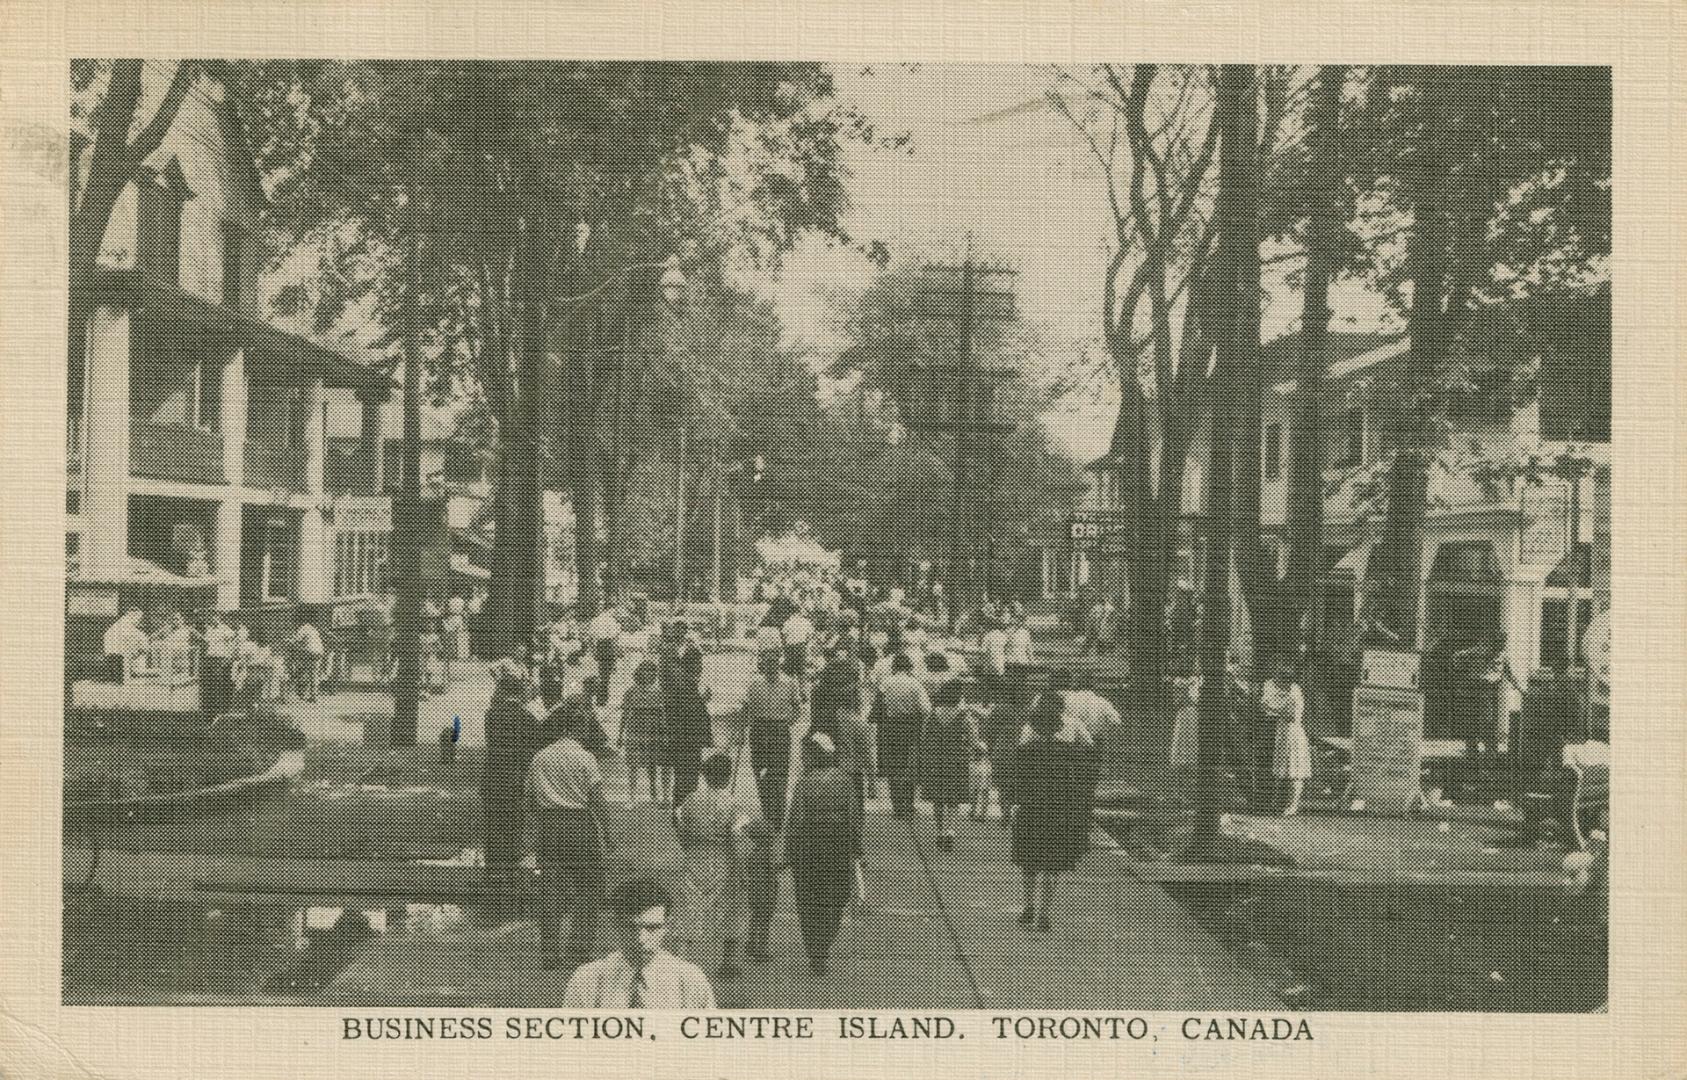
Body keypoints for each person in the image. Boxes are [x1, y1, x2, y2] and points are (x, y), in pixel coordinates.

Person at [530, 696, 610, 971]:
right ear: (579, 728)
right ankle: (580, 947)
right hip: (580, 826)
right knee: (589, 887)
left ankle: (549, 951)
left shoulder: (540, 758)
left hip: (550, 826)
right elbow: (597, 799)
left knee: (550, 890)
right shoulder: (586, 759)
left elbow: (528, 800)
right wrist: (608, 834)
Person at [1005, 693, 1097, 932]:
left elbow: (1017, 774)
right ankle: (1044, 911)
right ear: (1060, 712)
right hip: (1060, 806)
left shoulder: (1028, 736)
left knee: (1029, 860)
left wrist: (1015, 802)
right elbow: (1090, 753)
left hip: (1031, 805)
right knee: (1053, 861)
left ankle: (1028, 906)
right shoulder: (1074, 730)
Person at [562, 879, 715, 1008]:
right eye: (630, 927)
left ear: (668, 926)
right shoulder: (587, 980)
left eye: (652, 928)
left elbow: (709, 1043)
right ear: (615, 924)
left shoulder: (690, 980)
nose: (640, 939)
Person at [785, 734, 862, 975]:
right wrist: (857, 849)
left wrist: (789, 852)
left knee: (807, 902)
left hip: (808, 848)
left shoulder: (804, 783)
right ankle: (823, 948)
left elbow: (795, 820)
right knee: (835, 900)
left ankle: (814, 951)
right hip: (838, 848)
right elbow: (854, 819)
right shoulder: (846, 781)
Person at [675, 751, 747, 981]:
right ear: (727, 777)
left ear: (704, 775)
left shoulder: (691, 799)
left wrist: (689, 847)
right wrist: (741, 868)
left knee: (690, 907)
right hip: (722, 861)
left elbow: (681, 827)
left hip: (695, 859)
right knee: (731, 910)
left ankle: (683, 960)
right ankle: (727, 962)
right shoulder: (732, 802)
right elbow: (737, 838)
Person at [483, 659, 539, 899]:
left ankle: (494, 870)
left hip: (493, 775)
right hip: (516, 777)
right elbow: (533, 747)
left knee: (493, 824)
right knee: (514, 824)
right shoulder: (526, 717)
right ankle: (510, 871)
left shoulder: (491, 715)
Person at [740, 653, 802, 827]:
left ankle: (779, 814)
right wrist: (743, 724)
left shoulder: (789, 682)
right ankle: (767, 811)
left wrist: (789, 722)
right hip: (759, 729)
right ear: (763, 665)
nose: (770, 667)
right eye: (767, 663)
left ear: (779, 664)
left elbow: (798, 707)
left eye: (774, 663)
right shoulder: (754, 683)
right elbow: (746, 706)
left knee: (779, 772)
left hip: (779, 729)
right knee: (760, 771)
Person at [872, 652, 932, 818]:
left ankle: (897, 806)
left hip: (890, 728)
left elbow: (877, 704)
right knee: (909, 767)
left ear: (894, 667)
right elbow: (926, 709)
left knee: (893, 767)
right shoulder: (915, 684)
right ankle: (908, 805)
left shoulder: (886, 683)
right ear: (908, 667)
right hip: (910, 729)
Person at [662, 620, 714, 803]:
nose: (679, 633)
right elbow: (666, 679)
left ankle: (688, 805)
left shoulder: (693, 652)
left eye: (682, 629)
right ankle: (680, 808)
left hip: (691, 724)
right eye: (676, 629)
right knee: (680, 770)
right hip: (676, 719)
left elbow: (700, 678)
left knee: (691, 770)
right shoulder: (667, 652)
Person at [920, 679, 974, 850]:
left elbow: (924, 736)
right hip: (956, 760)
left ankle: (939, 831)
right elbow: (972, 738)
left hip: (935, 759)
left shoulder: (932, 713)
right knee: (953, 798)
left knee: (937, 798)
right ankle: (950, 830)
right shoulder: (964, 715)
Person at [1262, 658, 1311, 815]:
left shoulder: (1294, 693)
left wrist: (1274, 709)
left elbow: (1290, 715)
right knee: (1282, 769)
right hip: (1283, 732)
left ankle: (1293, 804)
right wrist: (1274, 709)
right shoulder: (1281, 691)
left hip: (1293, 733)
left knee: (1295, 771)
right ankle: (1278, 802)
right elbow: (1266, 706)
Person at [618, 660, 670, 804]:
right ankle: (631, 797)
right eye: (646, 671)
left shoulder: (659, 692)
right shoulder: (631, 691)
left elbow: (663, 714)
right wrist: (620, 735)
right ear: (640, 672)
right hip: (635, 729)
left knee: (655, 763)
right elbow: (625, 714)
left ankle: (659, 796)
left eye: (652, 671)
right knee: (633, 763)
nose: (650, 674)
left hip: (655, 730)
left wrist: (665, 734)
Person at [739, 813, 780, 963]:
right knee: (765, 920)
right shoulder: (768, 852)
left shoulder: (752, 854)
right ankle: (761, 949)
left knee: (755, 917)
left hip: (754, 890)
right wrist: (787, 863)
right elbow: (773, 869)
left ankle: (750, 943)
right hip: (767, 889)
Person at [197, 611, 237, 720]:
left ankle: (219, 711)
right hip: (209, 659)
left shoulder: (225, 629)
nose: (211, 619)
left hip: (220, 659)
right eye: (210, 616)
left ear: (218, 617)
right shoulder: (209, 629)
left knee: (217, 684)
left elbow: (233, 644)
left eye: (214, 616)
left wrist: (228, 658)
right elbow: (206, 643)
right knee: (208, 685)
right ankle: (208, 711)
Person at [1168, 658, 1201, 773]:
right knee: (1184, 733)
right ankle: (1183, 760)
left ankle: (1191, 759)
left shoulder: (1198, 680)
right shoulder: (1181, 682)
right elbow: (1179, 699)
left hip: (1194, 710)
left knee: (1192, 734)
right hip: (1187, 710)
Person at [588, 606, 623, 707]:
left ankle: (599, 697)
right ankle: (602, 699)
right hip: (608, 646)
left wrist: (593, 651)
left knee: (601, 672)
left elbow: (590, 638)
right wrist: (616, 654)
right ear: (609, 610)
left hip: (599, 646)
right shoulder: (612, 621)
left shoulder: (595, 620)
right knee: (606, 676)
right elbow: (615, 638)